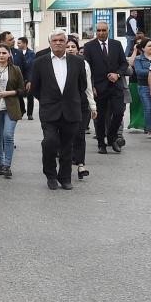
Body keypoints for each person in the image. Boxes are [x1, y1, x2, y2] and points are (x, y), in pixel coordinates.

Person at [30, 30, 92, 190]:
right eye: (55, 40)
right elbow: (35, 88)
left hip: (71, 110)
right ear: (50, 42)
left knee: (67, 145)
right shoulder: (40, 62)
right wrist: (46, 101)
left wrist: (73, 100)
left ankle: (65, 177)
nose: (58, 43)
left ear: (66, 42)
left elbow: (82, 86)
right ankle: (50, 174)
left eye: (61, 40)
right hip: (49, 111)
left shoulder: (78, 62)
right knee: (50, 142)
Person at [82, 22, 128, 154]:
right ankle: (101, 142)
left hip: (115, 86)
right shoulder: (89, 46)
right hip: (99, 87)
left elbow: (124, 63)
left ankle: (112, 137)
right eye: (98, 30)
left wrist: (117, 74)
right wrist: (92, 87)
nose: (101, 33)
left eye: (104, 30)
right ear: (95, 32)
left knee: (119, 113)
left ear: (109, 30)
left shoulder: (116, 44)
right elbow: (87, 68)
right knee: (100, 117)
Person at [0, 44, 24, 179]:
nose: (1, 55)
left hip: (11, 107)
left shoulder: (16, 70)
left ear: (9, 54)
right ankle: (1, 165)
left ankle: (7, 165)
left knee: (8, 135)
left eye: (4, 53)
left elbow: (22, 90)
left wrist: (8, 93)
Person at [65, 36, 97, 181]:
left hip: (81, 103)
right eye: (68, 46)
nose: (70, 49)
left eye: (73, 47)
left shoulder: (84, 64)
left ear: (78, 50)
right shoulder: (58, 63)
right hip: (64, 104)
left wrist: (92, 106)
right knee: (66, 135)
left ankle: (81, 164)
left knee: (79, 134)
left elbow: (88, 86)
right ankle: (67, 159)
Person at [132, 38, 151, 138]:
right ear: (143, 48)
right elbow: (139, 72)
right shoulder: (138, 59)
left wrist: (149, 70)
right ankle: (149, 130)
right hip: (143, 87)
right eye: (149, 46)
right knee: (148, 108)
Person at [17, 37, 36, 120]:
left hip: (29, 77)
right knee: (19, 95)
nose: (17, 44)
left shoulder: (31, 53)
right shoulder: (16, 53)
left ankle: (29, 113)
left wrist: (30, 80)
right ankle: (22, 110)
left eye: (19, 43)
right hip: (19, 77)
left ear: (24, 43)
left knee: (30, 96)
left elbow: (31, 67)